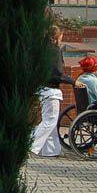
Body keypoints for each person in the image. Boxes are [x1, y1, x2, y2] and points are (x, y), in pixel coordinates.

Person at [31, 26, 72, 157]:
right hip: (51, 90)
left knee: (51, 121)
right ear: (56, 38)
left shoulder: (42, 49)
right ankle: (30, 145)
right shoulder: (55, 51)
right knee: (50, 121)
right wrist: (72, 81)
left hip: (42, 89)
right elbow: (58, 73)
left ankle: (51, 150)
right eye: (61, 37)